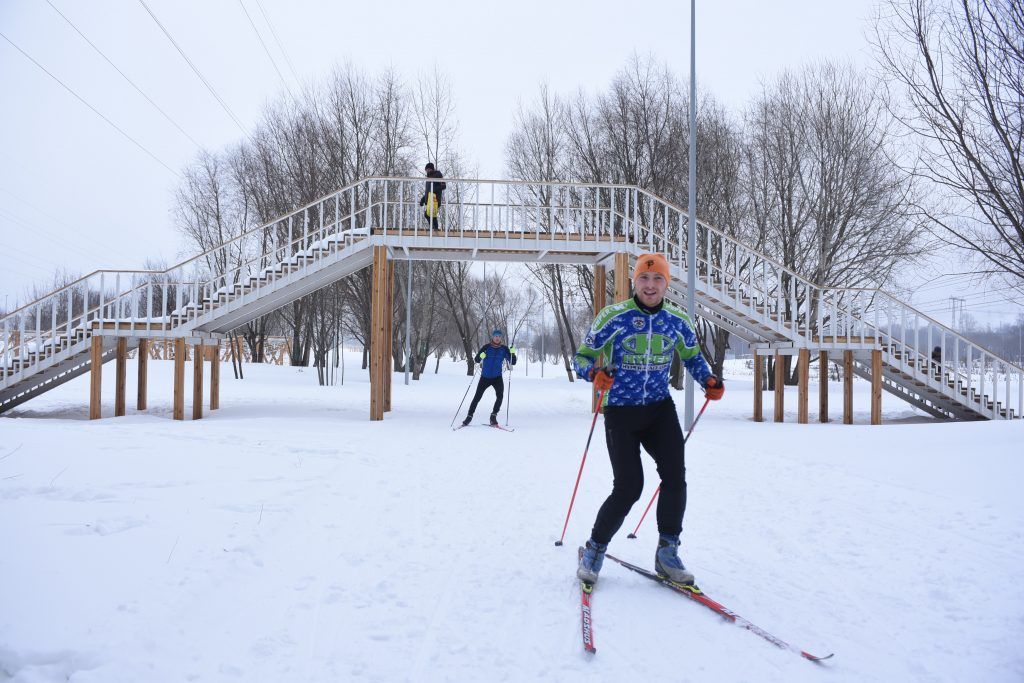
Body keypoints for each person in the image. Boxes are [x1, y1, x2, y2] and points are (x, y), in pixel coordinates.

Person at [574, 252, 724, 586]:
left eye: (658, 280)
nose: (651, 285)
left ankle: (667, 554)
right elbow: (580, 357)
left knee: (676, 477)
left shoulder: (678, 320)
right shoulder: (613, 316)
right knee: (629, 487)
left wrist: (709, 381)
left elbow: (693, 357)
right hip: (621, 410)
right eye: (644, 278)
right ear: (634, 281)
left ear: (666, 284)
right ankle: (595, 549)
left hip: (658, 409)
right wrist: (594, 373)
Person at [462, 329, 517, 426]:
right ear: (493, 337)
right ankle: (469, 417)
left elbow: (513, 362)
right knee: (477, 397)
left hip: (497, 377)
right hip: (485, 377)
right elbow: (477, 360)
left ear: (501, 338)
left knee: (500, 397)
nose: (497, 338)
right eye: (496, 336)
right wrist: (481, 355)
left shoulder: (504, 349)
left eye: (499, 336)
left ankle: (493, 416)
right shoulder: (486, 347)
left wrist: (512, 353)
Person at [418, 162, 447, 230]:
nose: (427, 171)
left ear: (431, 169)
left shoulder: (438, 175)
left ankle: (434, 228)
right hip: (429, 200)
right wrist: (423, 200)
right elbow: (428, 192)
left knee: (428, 214)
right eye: (426, 170)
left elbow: (444, 185)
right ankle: (435, 228)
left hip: (435, 199)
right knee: (432, 215)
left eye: (428, 169)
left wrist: (434, 190)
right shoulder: (428, 179)